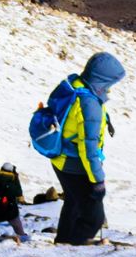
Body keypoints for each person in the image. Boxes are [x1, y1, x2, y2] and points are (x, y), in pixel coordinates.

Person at [49, 52, 124, 245]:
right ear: (101, 80)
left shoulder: (77, 86)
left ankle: (62, 243)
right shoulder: (89, 104)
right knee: (94, 218)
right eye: (109, 83)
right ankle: (71, 251)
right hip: (74, 164)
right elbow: (88, 149)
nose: (110, 88)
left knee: (73, 203)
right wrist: (98, 181)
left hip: (60, 160)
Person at [0, 163, 29, 243]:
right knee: (16, 222)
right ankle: (23, 237)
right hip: (9, 208)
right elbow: (18, 193)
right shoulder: (13, 179)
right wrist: (16, 179)